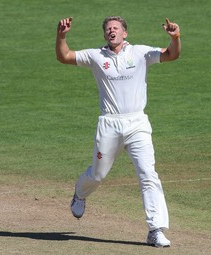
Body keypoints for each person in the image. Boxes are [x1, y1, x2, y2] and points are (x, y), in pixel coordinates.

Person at [55, 16, 181, 248]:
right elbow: (64, 56)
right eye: (108, 29)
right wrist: (61, 35)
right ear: (105, 35)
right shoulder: (96, 56)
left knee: (148, 174)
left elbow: (171, 55)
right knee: (98, 175)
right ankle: (80, 194)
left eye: (116, 28)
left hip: (137, 124)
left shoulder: (141, 53)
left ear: (125, 33)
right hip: (110, 124)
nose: (112, 31)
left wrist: (175, 38)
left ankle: (155, 229)